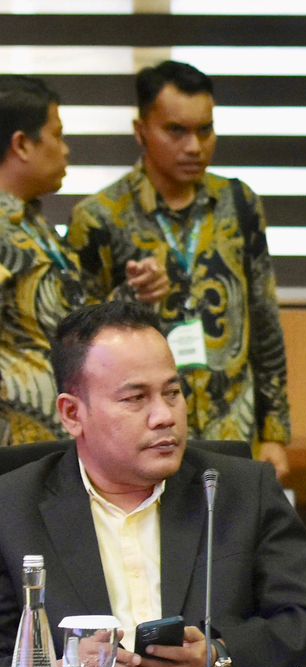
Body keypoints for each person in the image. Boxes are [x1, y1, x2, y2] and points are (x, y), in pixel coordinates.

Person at [0, 299, 306, 667]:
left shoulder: (241, 491)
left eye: (173, 392)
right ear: (73, 414)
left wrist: (219, 657)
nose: (165, 416)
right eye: (135, 398)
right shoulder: (12, 509)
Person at [68, 61, 292, 481]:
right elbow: (80, 341)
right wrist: (129, 297)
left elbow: (264, 322)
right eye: (176, 131)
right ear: (140, 132)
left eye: (205, 130)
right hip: (139, 440)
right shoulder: (98, 217)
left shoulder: (239, 203)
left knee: (229, 545)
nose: (194, 146)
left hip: (233, 427)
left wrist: (275, 432)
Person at [0, 75, 164, 445]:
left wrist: (133, 295)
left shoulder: (32, 224)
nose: (66, 150)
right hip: (14, 441)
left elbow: (63, 328)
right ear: (22, 145)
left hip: (54, 437)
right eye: (56, 136)